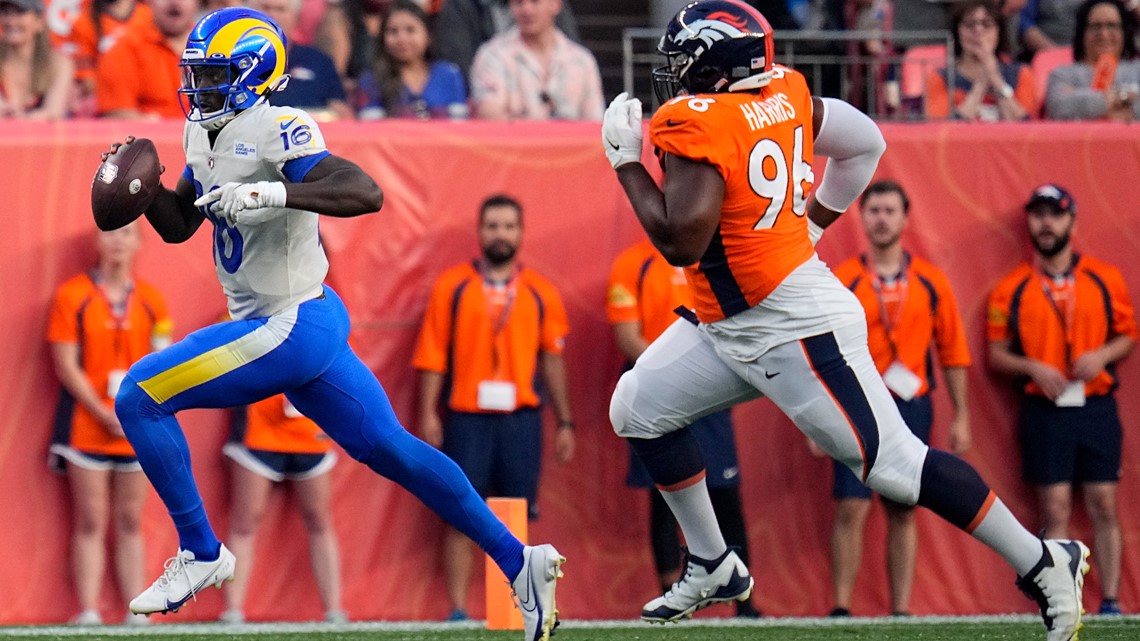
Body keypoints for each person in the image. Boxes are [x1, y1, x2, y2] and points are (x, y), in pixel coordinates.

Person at [601, 2, 1089, 639]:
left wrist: (625, 162)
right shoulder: (783, 91)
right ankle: (713, 562)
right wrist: (814, 223)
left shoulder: (697, 121)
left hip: (793, 327)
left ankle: (1045, 561)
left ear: (715, 67)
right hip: (730, 321)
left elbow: (680, 244)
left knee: (895, 465)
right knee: (638, 407)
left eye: (684, 62)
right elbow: (866, 142)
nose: (675, 75)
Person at [103, 9, 564, 641]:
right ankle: (521, 560)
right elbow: (184, 222)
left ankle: (202, 552)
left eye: (211, 76)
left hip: (290, 321)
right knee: (395, 452)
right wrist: (147, 191)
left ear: (252, 75)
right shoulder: (203, 134)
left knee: (140, 393)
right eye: (196, 76)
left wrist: (275, 194)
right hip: (298, 324)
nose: (198, 89)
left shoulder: (279, 127)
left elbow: (365, 191)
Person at [412, 193, 575, 622]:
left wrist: (565, 421)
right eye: (492, 226)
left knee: (514, 516)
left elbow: (552, 358)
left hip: (521, 420)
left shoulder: (541, 291)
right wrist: (428, 412)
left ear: (521, 233)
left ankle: (511, 611)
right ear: (479, 231)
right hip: (465, 418)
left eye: (508, 226)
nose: (499, 234)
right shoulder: (452, 286)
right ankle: (459, 611)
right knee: (460, 513)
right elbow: (432, 356)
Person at [821, 180, 972, 617]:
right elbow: (819, 349)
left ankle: (901, 611)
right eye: (873, 210)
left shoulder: (930, 280)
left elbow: (953, 351)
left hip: (911, 405)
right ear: (861, 217)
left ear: (906, 218)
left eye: (890, 210)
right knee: (850, 505)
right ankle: (840, 610)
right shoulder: (842, 278)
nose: (882, 218)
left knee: (904, 508)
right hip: (854, 404)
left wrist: (962, 415)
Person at [988, 183, 1136, 617]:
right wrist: (1032, 366)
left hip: (1095, 405)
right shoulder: (1010, 288)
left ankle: (1111, 600)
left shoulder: (1104, 278)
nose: (1046, 222)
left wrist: (1103, 355)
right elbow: (995, 354)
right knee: (1054, 508)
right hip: (1043, 409)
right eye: (1038, 214)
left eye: (1054, 213)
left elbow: (1128, 334)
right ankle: (1060, 603)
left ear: (1071, 219)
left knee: (1104, 502)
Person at [605, 236, 760, 619]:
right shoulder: (632, 263)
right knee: (665, 497)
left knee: (725, 494)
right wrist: (675, 374)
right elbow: (628, 336)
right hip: (657, 389)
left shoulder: (722, 257)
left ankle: (746, 603)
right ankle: (676, 594)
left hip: (710, 385)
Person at [46, 223, 172, 626]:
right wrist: (103, 412)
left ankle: (139, 610)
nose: (118, 240)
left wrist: (133, 412)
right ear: (98, 241)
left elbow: (163, 365)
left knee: (131, 519)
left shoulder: (154, 300)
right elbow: (66, 365)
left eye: (128, 233)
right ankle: (87, 611)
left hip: (136, 428)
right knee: (90, 519)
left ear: (140, 243)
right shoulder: (71, 296)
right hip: (87, 425)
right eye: (111, 233)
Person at [218, 393, 348, 624]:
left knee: (320, 522)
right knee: (245, 523)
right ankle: (233, 610)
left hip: (309, 433)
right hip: (258, 429)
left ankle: (334, 610)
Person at [469, 0, 602, 120]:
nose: (527, 10)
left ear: (556, 4)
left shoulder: (582, 61)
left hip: (573, 146)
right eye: (519, 2)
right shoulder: (493, 55)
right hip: (514, 146)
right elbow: (490, 117)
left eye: (535, 1)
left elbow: (596, 125)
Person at [925, 0, 1036, 121]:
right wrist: (980, 84)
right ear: (957, 31)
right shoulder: (939, 78)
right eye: (970, 24)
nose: (978, 31)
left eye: (987, 24)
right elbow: (942, 131)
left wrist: (996, 80)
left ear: (999, 31)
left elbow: (1026, 129)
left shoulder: (1021, 74)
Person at [356, 0, 468, 119]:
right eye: (393, 31)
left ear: (428, 36)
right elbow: (370, 129)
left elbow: (459, 123)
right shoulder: (371, 80)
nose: (402, 39)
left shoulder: (448, 74)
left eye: (410, 30)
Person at [95, 0, 199, 119]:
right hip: (151, 135)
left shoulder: (213, 47)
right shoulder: (124, 48)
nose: (174, 2)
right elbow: (116, 114)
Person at [250, 0, 352, 119]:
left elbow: (342, 113)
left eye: (280, 9)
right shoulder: (233, 61)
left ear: (296, 18)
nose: (272, 15)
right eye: (266, 8)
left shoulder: (320, 62)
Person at [431, 0, 579, 82]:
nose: (527, 9)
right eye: (519, 3)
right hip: (489, 101)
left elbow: (572, 57)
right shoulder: (460, 5)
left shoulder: (549, 4)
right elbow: (458, 61)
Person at [1044, 0, 1140, 121]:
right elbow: (1058, 108)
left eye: (1112, 25)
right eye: (1096, 26)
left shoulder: (1137, 70)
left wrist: (1087, 103)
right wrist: (1124, 97)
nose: (1104, 34)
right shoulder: (1062, 74)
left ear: (1124, 32)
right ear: (1082, 33)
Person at [55, 0, 152, 117]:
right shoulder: (84, 22)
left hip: (147, 98)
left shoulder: (148, 16)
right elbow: (88, 81)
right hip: (106, 102)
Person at [0, 0, 73, 119]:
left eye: (20, 13)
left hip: (39, 135)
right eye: (6, 12)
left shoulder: (58, 64)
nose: (11, 21)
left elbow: (53, 113)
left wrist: (21, 119)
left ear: (39, 22)